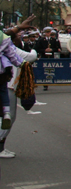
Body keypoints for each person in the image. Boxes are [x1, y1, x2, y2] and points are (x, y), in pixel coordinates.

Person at [0, 28, 38, 158]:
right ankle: (0, 147)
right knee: (9, 115)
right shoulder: (8, 45)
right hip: (6, 83)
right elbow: (29, 57)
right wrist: (25, 61)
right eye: (18, 35)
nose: (20, 37)